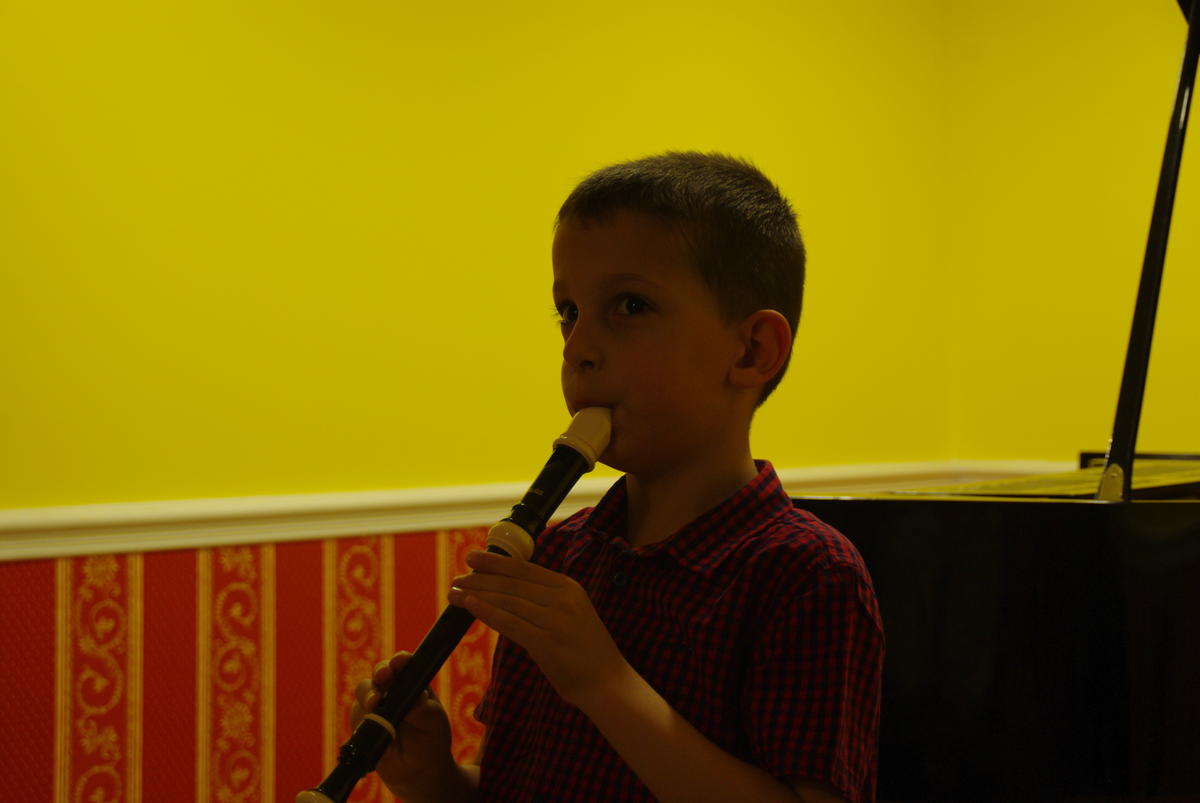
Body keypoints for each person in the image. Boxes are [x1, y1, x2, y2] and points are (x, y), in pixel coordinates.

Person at [351, 152, 884, 802]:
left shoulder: (807, 575)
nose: (578, 347)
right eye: (568, 312)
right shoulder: (558, 553)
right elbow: (512, 784)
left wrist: (606, 683)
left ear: (752, 351)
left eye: (630, 305)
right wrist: (431, 777)